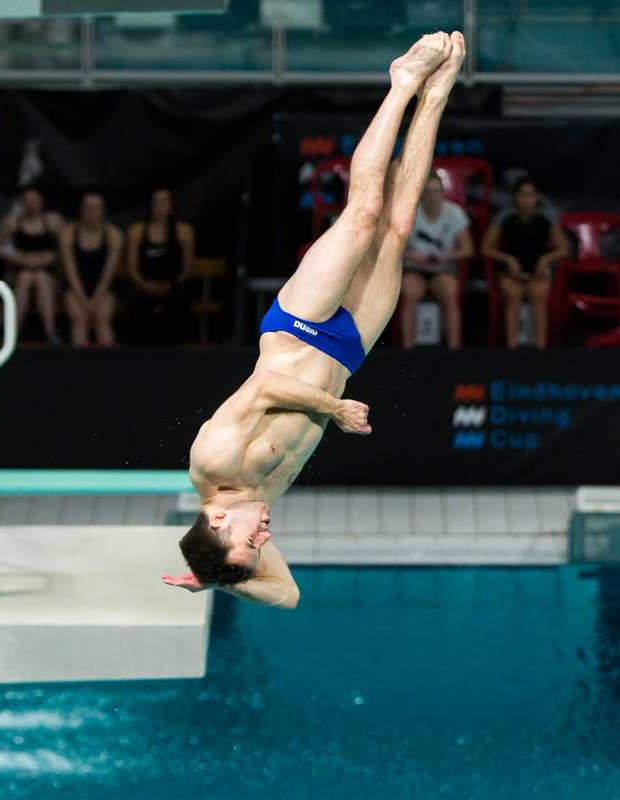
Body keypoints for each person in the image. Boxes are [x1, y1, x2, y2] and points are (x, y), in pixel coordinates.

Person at [161, 31, 465, 609]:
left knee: (364, 212)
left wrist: (334, 410)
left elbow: (265, 387)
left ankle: (402, 84)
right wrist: (220, 579)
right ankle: (436, 96)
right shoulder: (247, 510)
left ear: (218, 519)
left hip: (298, 327)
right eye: (259, 546)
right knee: (398, 229)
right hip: (347, 350)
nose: (266, 538)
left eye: (251, 542)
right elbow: (288, 597)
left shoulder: (213, 464)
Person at [480, 179, 570, 348]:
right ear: (515, 197)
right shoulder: (505, 216)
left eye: (531, 195)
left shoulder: (545, 216)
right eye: (522, 195)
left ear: (536, 197)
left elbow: (563, 248)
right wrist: (508, 259)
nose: (526, 199)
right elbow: (485, 247)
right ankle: (512, 349)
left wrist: (546, 259)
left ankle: (539, 350)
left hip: (537, 272)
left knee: (538, 294)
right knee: (513, 294)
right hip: (510, 272)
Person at [397, 172, 474, 349]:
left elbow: (468, 249)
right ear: (421, 194)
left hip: (442, 270)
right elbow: (393, 250)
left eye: (436, 191)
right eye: (428, 192)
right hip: (414, 270)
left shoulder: (454, 213)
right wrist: (413, 255)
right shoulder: (409, 213)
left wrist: (446, 256)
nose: (432, 196)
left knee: (449, 291)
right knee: (410, 293)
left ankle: (453, 352)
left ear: (443, 193)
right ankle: (407, 352)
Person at [0, 185, 65, 345]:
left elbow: (66, 248)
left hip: (47, 272)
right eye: (27, 200)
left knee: (40, 277)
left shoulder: (52, 221)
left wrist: (49, 258)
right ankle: (13, 333)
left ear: (42, 201)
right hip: (20, 271)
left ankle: (50, 330)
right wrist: (15, 257)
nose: (31, 203)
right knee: (26, 277)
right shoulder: (12, 222)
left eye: (34, 199)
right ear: (22, 202)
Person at [124, 188, 196, 344]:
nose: (160, 207)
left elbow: (188, 268)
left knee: (181, 301)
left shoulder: (184, 231)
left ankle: (177, 351)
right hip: (144, 284)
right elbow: (132, 267)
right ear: (150, 205)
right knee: (135, 302)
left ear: (171, 205)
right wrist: (145, 285)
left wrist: (171, 284)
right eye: (156, 203)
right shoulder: (136, 231)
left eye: (164, 202)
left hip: (172, 284)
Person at [59, 189, 123, 348]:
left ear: (103, 210)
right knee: (79, 320)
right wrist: (83, 300)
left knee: (102, 319)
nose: (92, 212)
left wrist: (94, 301)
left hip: (103, 287)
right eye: (88, 207)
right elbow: (71, 271)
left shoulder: (114, 235)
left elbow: (108, 273)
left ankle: (109, 366)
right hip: (75, 287)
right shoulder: (67, 233)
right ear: (81, 209)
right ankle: (78, 365)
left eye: (97, 208)